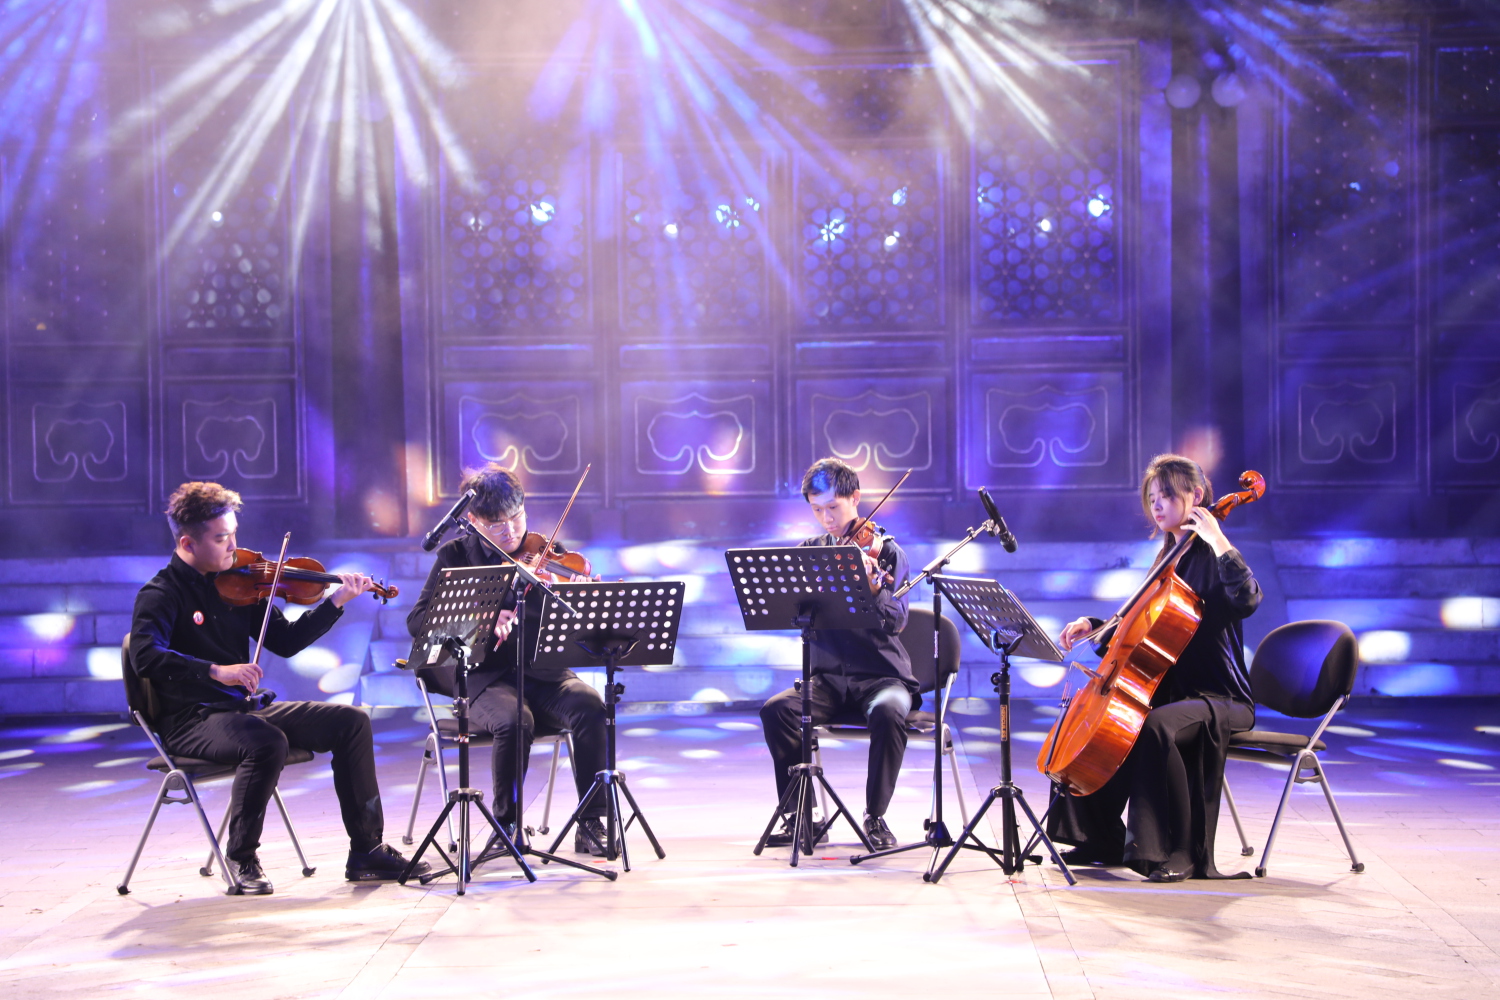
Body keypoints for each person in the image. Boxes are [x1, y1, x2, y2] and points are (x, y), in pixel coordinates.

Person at [130, 481, 427, 895]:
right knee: (266, 742)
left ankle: (366, 850)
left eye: (235, 534)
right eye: (221, 538)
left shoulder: (239, 583)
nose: (234, 547)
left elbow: (285, 642)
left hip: (242, 711)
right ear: (187, 543)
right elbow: (145, 656)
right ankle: (241, 856)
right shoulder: (160, 594)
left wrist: (336, 601)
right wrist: (216, 671)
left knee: (351, 722)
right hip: (191, 720)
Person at [1047, 453, 1261, 881]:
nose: (1157, 504)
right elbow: (1139, 625)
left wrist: (1219, 539)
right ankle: (1100, 837)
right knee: (1104, 725)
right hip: (1174, 691)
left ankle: (1180, 852)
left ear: (1195, 495)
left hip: (1220, 697)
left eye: (1166, 495)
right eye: (1151, 497)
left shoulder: (1212, 554)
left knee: (1156, 726)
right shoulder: (1168, 557)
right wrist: (1095, 625)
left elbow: (1248, 599)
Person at [407, 465, 610, 856]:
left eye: (517, 517)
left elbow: (571, 626)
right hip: (484, 675)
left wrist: (584, 601)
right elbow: (418, 621)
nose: (511, 531)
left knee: (590, 705)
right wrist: (481, 619)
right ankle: (507, 827)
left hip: (541, 670)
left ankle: (591, 821)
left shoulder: (546, 551)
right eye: (497, 524)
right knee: (516, 720)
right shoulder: (455, 555)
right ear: (472, 520)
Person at [758, 458, 917, 851]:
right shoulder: (811, 553)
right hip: (827, 680)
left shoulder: (887, 552)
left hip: (881, 676)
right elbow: (792, 612)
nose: (826, 519)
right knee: (777, 710)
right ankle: (803, 816)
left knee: (888, 712)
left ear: (855, 498)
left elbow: (897, 622)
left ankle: (875, 816)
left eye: (833, 507)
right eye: (817, 510)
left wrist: (874, 589)